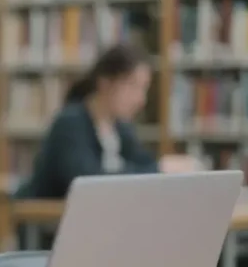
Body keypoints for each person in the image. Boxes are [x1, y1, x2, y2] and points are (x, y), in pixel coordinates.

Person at [17, 44, 199, 202]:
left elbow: (144, 165)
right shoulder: (70, 124)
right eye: (133, 86)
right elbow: (87, 183)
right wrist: (160, 169)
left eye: (144, 89)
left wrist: (169, 169)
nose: (141, 100)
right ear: (105, 83)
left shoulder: (120, 129)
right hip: (49, 228)